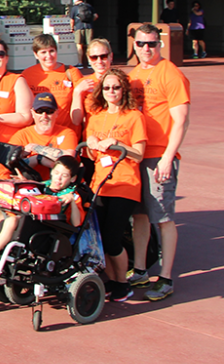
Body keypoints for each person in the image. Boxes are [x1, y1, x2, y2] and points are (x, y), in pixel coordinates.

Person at [127, 23, 190, 301]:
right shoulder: (135, 74)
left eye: (151, 43)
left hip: (159, 156)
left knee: (162, 216)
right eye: (141, 44)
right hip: (137, 154)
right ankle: (140, 269)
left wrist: (167, 157)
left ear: (160, 44)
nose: (146, 49)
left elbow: (181, 120)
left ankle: (165, 278)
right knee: (140, 215)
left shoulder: (171, 74)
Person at [85, 68, 148, 303]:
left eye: (116, 87)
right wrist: (91, 143)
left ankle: (123, 282)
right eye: (107, 87)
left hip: (124, 183)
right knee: (100, 239)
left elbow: (139, 154)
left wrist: (119, 143)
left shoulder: (134, 116)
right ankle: (111, 281)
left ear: (124, 90)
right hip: (100, 185)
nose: (112, 92)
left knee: (113, 238)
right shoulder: (95, 116)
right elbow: (91, 154)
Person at [0, 157, 86, 272]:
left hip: (39, 226)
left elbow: (76, 223)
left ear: (72, 178)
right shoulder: (41, 186)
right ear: (52, 171)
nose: (58, 178)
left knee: (11, 220)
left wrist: (73, 202)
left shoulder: (72, 195)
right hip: (18, 216)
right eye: (57, 173)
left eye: (64, 176)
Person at [20, 34, 83, 133]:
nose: (48, 56)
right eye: (43, 52)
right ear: (36, 54)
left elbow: (82, 103)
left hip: (67, 132)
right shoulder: (27, 75)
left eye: (52, 51)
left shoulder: (71, 72)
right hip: (40, 134)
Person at [10, 92, 78, 180]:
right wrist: (37, 159)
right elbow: (9, 162)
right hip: (30, 185)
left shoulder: (67, 133)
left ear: (57, 113)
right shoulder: (22, 135)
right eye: (39, 111)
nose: (44, 116)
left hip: (59, 186)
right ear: (32, 113)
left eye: (49, 112)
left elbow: (69, 158)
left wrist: (34, 147)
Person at [71, 38, 114, 129]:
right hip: (92, 136)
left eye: (103, 56)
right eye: (94, 57)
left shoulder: (120, 81)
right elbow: (76, 120)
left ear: (111, 57)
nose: (99, 61)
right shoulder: (83, 84)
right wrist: (77, 92)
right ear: (88, 59)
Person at [67, 0, 97, 67]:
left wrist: (72, 28)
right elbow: (96, 16)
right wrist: (91, 21)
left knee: (79, 45)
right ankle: (90, 62)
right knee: (89, 46)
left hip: (79, 27)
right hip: (89, 27)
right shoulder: (89, 6)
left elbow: (72, 20)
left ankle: (80, 63)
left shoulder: (74, 8)